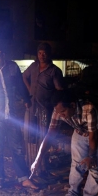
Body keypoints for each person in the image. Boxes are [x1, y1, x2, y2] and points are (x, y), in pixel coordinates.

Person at [31, 90, 98, 196]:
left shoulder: (89, 109)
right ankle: (72, 195)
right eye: (59, 112)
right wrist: (38, 158)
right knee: (76, 164)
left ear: (73, 105)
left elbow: (93, 136)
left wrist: (91, 156)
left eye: (63, 112)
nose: (61, 115)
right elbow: (50, 134)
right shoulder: (58, 111)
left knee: (94, 165)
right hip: (79, 130)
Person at [0, 42, 38, 190]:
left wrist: (26, 99)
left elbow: (20, 85)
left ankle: (23, 178)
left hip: (11, 114)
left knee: (17, 147)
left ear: (2, 55)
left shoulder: (12, 67)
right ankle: (0, 178)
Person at [22, 42, 64, 175]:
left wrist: (56, 104)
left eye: (44, 53)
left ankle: (42, 166)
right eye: (40, 53)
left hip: (45, 108)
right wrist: (30, 91)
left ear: (49, 54)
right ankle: (29, 162)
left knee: (43, 135)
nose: (42, 55)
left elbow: (59, 89)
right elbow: (24, 76)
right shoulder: (33, 66)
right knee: (28, 134)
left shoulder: (54, 71)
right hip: (31, 106)